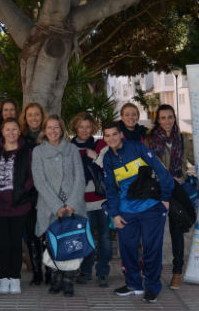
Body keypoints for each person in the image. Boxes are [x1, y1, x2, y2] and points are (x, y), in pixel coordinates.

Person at [102, 121, 174, 303]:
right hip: (126, 211)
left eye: (114, 134)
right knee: (127, 250)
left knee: (152, 249)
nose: (111, 138)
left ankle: (152, 287)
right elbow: (110, 189)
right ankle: (134, 284)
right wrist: (115, 214)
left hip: (151, 208)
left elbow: (161, 171)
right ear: (104, 138)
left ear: (121, 135)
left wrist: (165, 198)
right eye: (107, 135)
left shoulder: (137, 148)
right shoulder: (107, 158)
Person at [32, 115, 86, 297]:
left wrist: (70, 204)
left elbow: (80, 178)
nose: (53, 131)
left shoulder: (71, 149)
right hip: (49, 207)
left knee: (71, 244)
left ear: (62, 130)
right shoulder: (38, 152)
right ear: (44, 131)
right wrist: (57, 206)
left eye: (57, 128)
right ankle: (55, 277)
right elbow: (40, 181)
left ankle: (69, 279)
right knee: (52, 245)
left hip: (73, 207)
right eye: (49, 128)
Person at [0, 118, 34, 295]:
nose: (11, 133)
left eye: (15, 129)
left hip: (19, 206)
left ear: (19, 132)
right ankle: (4, 278)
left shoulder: (26, 150)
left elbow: (31, 175)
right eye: (8, 130)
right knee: (2, 243)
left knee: (16, 244)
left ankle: (15, 277)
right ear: (2, 132)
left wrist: (22, 190)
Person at [146, 104, 195, 290]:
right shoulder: (149, 140)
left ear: (175, 118)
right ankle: (153, 272)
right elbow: (145, 165)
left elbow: (195, 158)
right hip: (156, 192)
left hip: (177, 191)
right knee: (154, 235)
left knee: (177, 232)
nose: (167, 121)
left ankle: (177, 272)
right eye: (163, 117)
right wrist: (163, 178)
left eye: (170, 117)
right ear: (157, 120)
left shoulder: (182, 138)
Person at [69, 112, 111, 288]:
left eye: (88, 127)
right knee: (86, 238)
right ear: (75, 128)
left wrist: (96, 156)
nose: (84, 130)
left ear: (93, 127)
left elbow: (110, 165)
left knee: (105, 238)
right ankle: (86, 271)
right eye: (81, 127)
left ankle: (102, 272)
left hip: (102, 200)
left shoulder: (100, 144)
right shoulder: (69, 148)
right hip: (82, 202)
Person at [18, 102, 47, 285]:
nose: (34, 118)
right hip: (28, 193)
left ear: (42, 117)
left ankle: (50, 271)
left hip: (47, 193)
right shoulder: (20, 139)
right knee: (32, 234)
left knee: (48, 233)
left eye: (37, 115)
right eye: (30, 115)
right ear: (25, 118)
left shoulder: (50, 136)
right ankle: (37, 272)